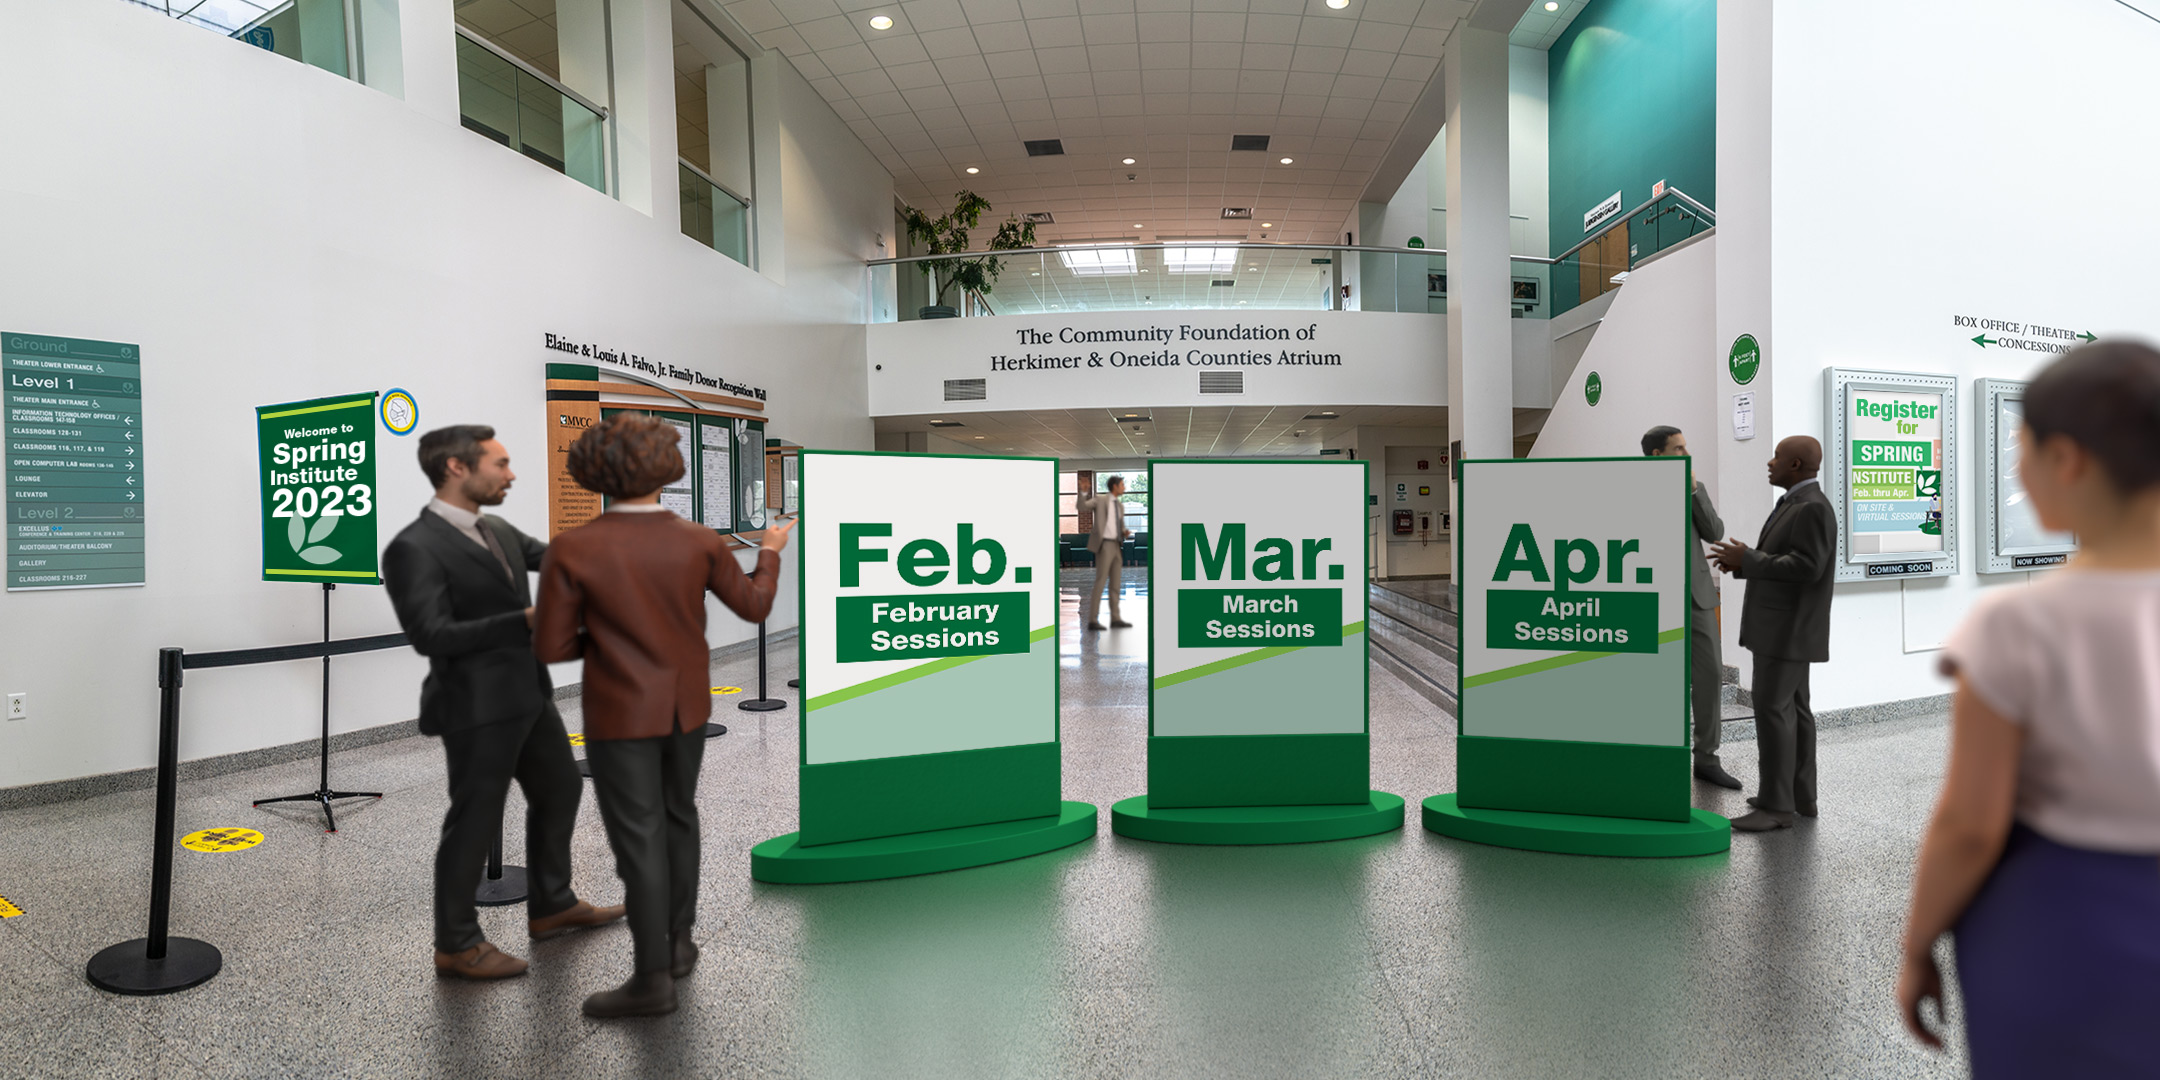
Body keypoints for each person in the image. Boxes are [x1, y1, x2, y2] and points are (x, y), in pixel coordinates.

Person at [1896, 341, 2160, 1071]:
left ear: (2068, 459)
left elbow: (1970, 825)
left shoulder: (2017, 625)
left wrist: (1918, 944)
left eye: (2023, 449)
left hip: (2065, 928)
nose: (2017, 470)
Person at [533, 414, 793, 1018]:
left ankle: (651, 980)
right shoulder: (699, 540)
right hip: (687, 708)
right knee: (679, 819)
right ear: (666, 470)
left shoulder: (573, 548)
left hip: (620, 712)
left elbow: (549, 647)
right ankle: (678, 945)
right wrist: (772, 553)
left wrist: (601, 640)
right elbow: (754, 605)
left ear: (595, 469)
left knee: (637, 838)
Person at [382, 425, 623, 981]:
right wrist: (527, 621)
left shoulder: (498, 528)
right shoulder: (411, 548)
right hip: (475, 705)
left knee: (561, 788)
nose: (512, 474)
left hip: (529, 693)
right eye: (501, 463)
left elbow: (559, 556)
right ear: (456, 469)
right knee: (476, 817)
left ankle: (552, 902)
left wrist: (626, 531)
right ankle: (456, 942)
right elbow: (431, 635)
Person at [1709, 435, 1835, 833]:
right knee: (1795, 711)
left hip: (1787, 631)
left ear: (1795, 465)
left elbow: (1807, 567)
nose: (1769, 462)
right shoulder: (1798, 503)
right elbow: (1792, 561)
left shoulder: (1811, 508)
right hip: (1789, 630)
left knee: (1773, 711)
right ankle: (1800, 796)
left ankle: (1777, 806)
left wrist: (1749, 559)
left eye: (1777, 457)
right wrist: (1746, 562)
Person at [1643, 425, 1740, 790]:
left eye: (1686, 447)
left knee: (1711, 672)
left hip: (1697, 595)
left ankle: (1707, 758)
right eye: (1679, 449)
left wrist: (1695, 491)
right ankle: (1660, 755)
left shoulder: (1692, 489)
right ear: (1657, 455)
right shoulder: (1634, 485)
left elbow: (1715, 531)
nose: (1687, 455)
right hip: (1652, 597)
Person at [1080, 475, 1132, 631]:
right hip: (1104, 545)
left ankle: (1115, 618)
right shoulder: (1100, 500)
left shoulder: (1120, 506)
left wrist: (1124, 532)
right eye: (1122, 485)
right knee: (1101, 581)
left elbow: (1120, 526)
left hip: (1117, 545)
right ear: (1115, 486)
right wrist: (1083, 493)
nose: (1124, 488)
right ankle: (1092, 620)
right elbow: (1083, 507)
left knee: (1116, 584)